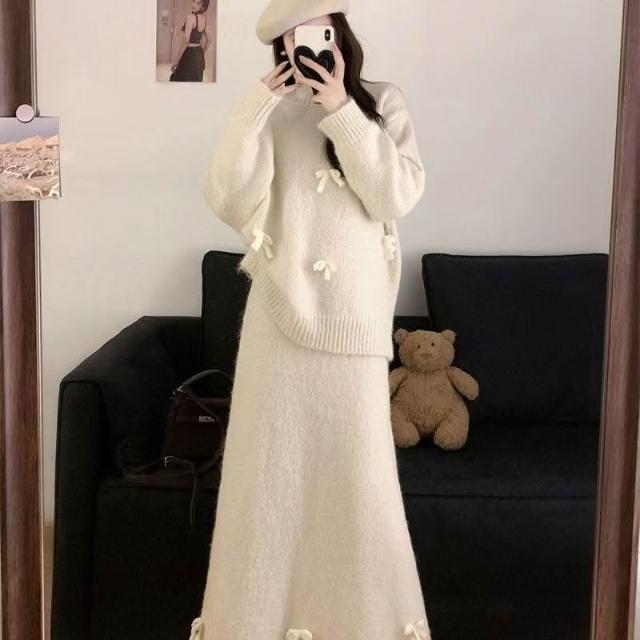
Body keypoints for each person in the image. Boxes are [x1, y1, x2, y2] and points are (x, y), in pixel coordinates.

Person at [191, 1, 430, 638]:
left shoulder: (382, 102)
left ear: (340, 34)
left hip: (356, 330)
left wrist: (342, 110)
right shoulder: (272, 112)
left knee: (361, 493)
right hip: (280, 323)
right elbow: (230, 198)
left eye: (321, 33)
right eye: (296, 38)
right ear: (282, 46)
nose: (311, 47)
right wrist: (253, 107)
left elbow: (395, 195)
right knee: (265, 489)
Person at [170, 0, 210, 82]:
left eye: (198, 3)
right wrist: (201, 53)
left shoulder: (191, 17)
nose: (194, 4)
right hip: (199, 55)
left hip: (189, 54)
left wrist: (176, 61)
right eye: (194, 1)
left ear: (203, 7)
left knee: (179, 81)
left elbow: (185, 41)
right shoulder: (204, 20)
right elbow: (209, 40)